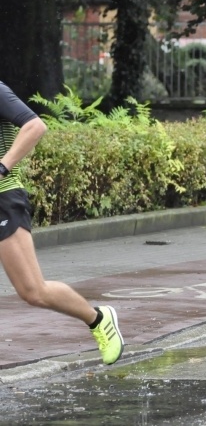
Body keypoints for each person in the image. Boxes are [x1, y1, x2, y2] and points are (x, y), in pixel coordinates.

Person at [0, 82, 123, 365]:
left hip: (4, 198)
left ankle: (98, 319)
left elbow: (35, 126)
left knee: (33, 291)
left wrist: (2, 167)